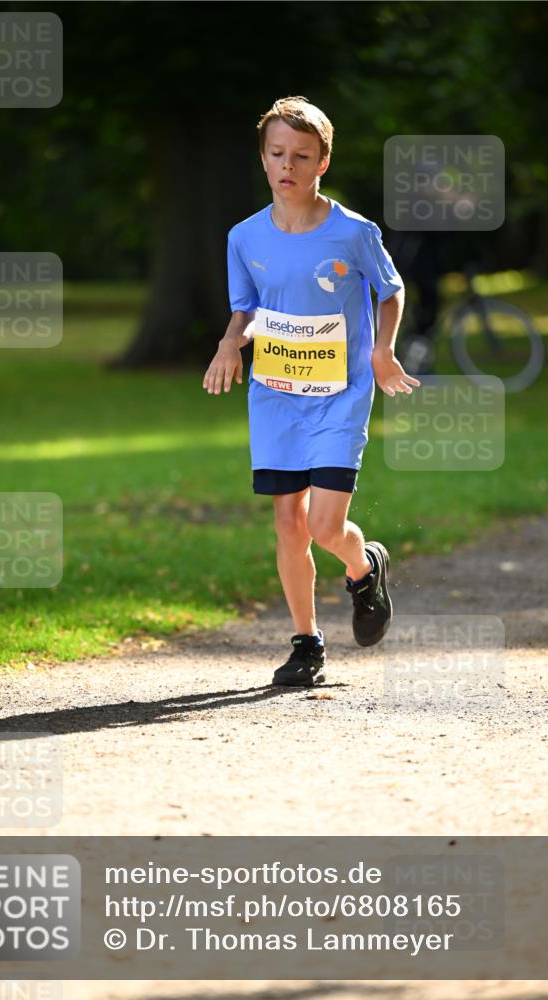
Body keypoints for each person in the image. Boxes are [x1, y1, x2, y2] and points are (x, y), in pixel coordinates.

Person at [202, 96, 419, 688]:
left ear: (322, 161)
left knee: (325, 527)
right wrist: (229, 344)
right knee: (289, 525)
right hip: (276, 394)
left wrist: (382, 349)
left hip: (340, 393)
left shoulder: (354, 232)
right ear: (263, 158)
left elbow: (389, 289)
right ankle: (307, 643)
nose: (287, 165)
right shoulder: (244, 237)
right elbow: (245, 309)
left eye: (301, 155)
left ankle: (364, 564)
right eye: (276, 154)